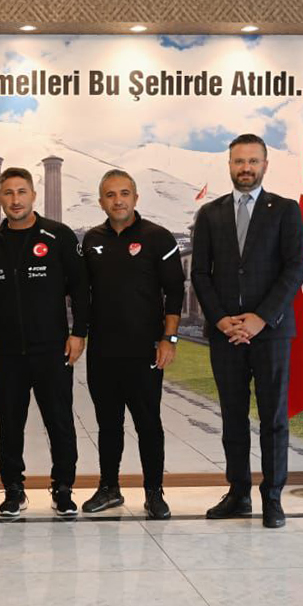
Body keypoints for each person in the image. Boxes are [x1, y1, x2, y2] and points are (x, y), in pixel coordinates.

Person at [191, 133, 303, 529]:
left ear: (265, 165)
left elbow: (295, 269)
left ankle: (272, 498)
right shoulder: (210, 214)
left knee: (274, 418)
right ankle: (238, 494)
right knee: (233, 418)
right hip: (226, 334)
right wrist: (221, 319)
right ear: (229, 165)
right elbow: (200, 273)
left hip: (271, 333)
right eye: (239, 161)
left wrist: (261, 318)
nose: (246, 168)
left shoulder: (286, 210)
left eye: (253, 161)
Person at [81, 169, 186, 520]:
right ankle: (109, 488)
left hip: (145, 351)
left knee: (148, 423)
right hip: (103, 351)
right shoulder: (91, 240)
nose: (118, 200)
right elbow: (82, 293)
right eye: (110, 195)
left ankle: (154, 492)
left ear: (136, 198)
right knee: (108, 424)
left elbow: (175, 293)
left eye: (124, 193)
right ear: (101, 202)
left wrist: (169, 338)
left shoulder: (158, 237)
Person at [0, 166, 88, 517]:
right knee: (9, 426)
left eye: (21, 192)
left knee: (59, 422)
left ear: (33, 195)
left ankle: (63, 488)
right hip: (7, 353)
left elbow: (81, 288)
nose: (15, 200)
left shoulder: (58, 235)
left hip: (52, 349)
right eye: (8, 193)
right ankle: (13, 489)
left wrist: (79, 333)